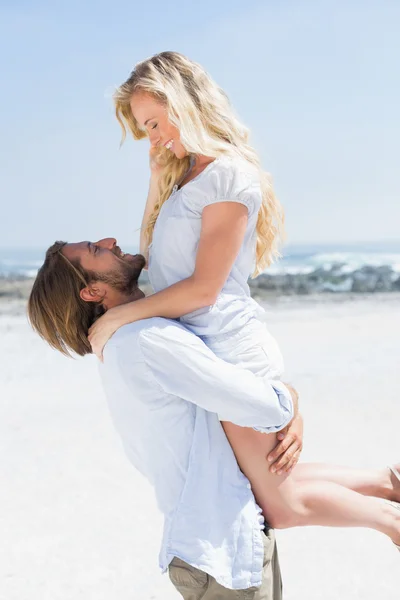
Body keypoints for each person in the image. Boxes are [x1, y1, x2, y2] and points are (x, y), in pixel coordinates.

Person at [87, 52, 400, 548]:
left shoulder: (227, 176)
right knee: (269, 486)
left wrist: (119, 316)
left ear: (183, 103)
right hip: (207, 348)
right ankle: (390, 484)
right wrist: (154, 180)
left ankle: (392, 519)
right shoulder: (188, 177)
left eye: (153, 123)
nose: (154, 138)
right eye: (145, 129)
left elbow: (203, 288)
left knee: (283, 504)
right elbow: (153, 260)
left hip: (230, 346)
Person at [28, 240, 400, 600]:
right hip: (220, 557)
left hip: (211, 549)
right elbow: (266, 409)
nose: (109, 241)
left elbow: (234, 458)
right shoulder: (146, 339)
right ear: (92, 292)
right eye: (95, 251)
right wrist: (292, 398)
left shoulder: (122, 343)